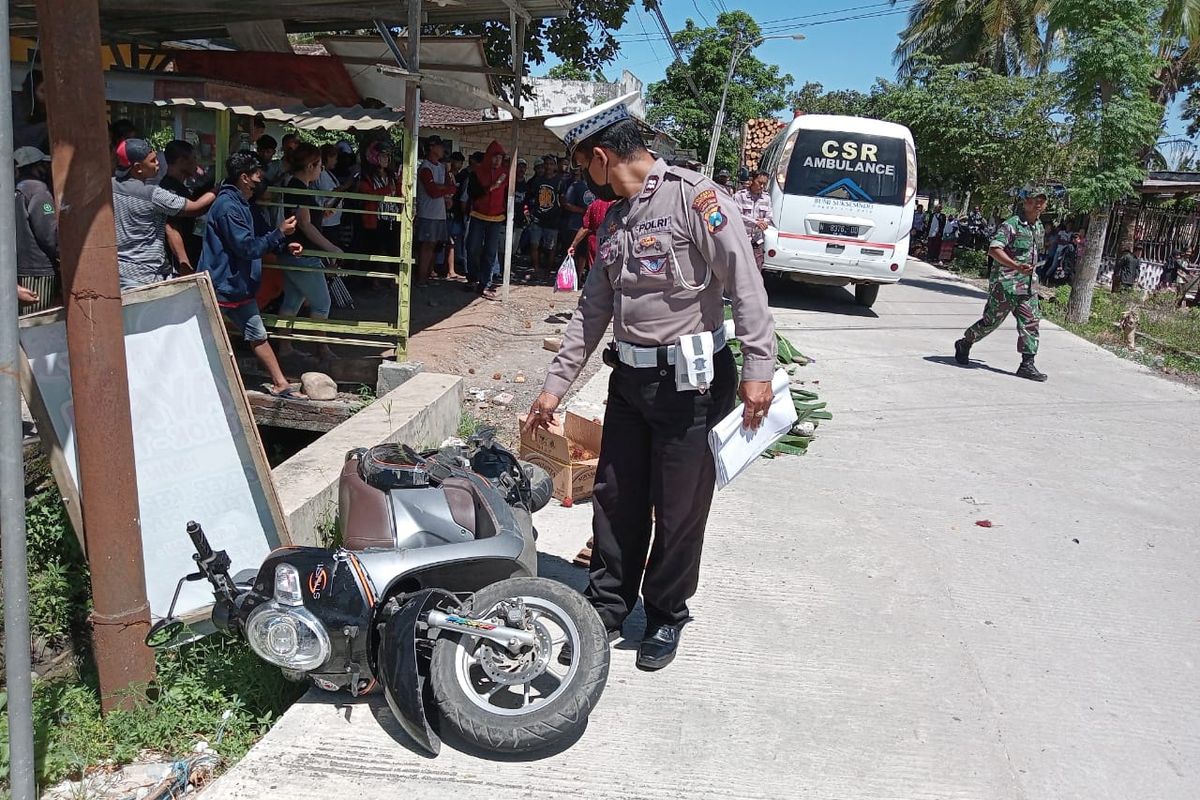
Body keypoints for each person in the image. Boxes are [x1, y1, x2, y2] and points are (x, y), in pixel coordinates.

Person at [524, 92, 776, 671]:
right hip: (630, 385)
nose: (579, 177)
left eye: (580, 164)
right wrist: (554, 387)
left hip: (693, 383)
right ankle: (608, 605)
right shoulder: (614, 220)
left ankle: (665, 614)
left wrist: (759, 369)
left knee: (681, 506)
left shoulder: (697, 199)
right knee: (616, 497)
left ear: (602, 156)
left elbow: (746, 286)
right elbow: (591, 312)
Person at [198, 152, 306, 398]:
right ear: (245, 178)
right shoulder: (228, 207)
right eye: (258, 173)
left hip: (238, 286)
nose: (263, 178)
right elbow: (247, 247)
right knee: (205, 339)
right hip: (221, 286)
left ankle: (281, 384)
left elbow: (263, 234)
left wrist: (283, 243)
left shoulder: (244, 204)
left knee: (257, 334)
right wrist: (279, 234)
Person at [955, 186, 1049, 382]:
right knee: (990, 322)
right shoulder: (1012, 224)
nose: (1038, 203)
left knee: (1031, 322)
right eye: (1034, 200)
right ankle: (965, 342)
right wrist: (1016, 265)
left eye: (1042, 200)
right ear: (1025, 202)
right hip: (1006, 285)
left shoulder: (1039, 227)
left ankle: (1027, 364)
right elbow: (994, 250)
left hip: (1028, 286)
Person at [112, 138, 215, 291]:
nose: (158, 163)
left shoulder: (110, 186)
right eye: (153, 160)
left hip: (119, 271)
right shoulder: (153, 194)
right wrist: (218, 189)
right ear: (138, 167)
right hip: (147, 274)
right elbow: (195, 208)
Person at [277, 143, 341, 362]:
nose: (321, 170)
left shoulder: (294, 185)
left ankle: (285, 347)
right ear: (310, 165)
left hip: (292, 252)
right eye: (320, 165)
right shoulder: (300, 189)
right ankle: (321, 348)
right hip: (303, 254)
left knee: (292, 301)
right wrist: (330, 247)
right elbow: (305, 224)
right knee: (322, 303)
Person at [14, 146, 59, 313]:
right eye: (43, 165)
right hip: (39, 270)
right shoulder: (38, 190)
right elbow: (48, 233)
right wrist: (60, 254)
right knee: (40, 321)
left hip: (18, 269)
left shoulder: (15, 190)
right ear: (35, 167)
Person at [466, 140, 509, 299]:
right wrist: (491, 187)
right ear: (488, 157)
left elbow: (508, 195)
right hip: (478, 215)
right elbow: (473, 193)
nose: (497, 160)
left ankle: (485, 284)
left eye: (500, 157)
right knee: (472, 248)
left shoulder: (506, 173)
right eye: (494, 157)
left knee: (490, 252)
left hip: (497, 218)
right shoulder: (476, 173)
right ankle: (472, 278)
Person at [159, 140, 207, 276]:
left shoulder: (181, 187)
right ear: (181, 161)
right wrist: (183, 262)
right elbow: (171, 228)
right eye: (194, 158)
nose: (196, 163)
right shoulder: (169, 190)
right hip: (178, 266)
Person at [415, 135, 457, 286]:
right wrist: (443, 189)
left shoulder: (441, 167)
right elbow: (432, 191)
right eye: (439, 146)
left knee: (435, 246)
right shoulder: (425, 167)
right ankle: (421, 278)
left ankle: (428, 275)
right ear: (432, 148)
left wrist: (441, 187)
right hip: (427, 212)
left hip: (439, 213)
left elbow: (451, 187)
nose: (442, 149)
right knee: (427, 245)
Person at [356, 140, 402, 258]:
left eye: (387, 156)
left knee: (393, 251)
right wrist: (387, 190)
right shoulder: (366, 176)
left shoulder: (392, 176)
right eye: (383, 155)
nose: (386, 158)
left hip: (392, 220)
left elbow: (398, 193)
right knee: (373, 251)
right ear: (374, 157)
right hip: (374, 221)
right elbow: (368, 195)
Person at [733, 170, 775, 270]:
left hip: (757, 241)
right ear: (752, 180)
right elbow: (736, 216)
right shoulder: (740, 196)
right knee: (738, 269)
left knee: (756, 271)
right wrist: (756, 222)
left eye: (764, 184)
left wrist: (764, 222)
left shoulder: (766, 198)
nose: (761, 186)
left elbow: (769, 216)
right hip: (741, 239)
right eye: (759, 183)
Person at [528, 156, 562, 276]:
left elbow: (562, 199)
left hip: (553, 219)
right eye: (546, 164)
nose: (548, 167)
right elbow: (532, 197)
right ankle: (536, 268)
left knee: (551, 247)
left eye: (551, 164)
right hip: (538, 217)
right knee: (534, 244)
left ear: (555, 166)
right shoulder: (538, 180)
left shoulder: (559, 181)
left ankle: (548, 270)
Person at [565, 196, 615, 279]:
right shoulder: (620, 205)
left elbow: (585, 227)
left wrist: (573, 245)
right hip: (614, 243)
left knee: (596, 273)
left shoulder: (595, 205)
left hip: (596, 242)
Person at [560, 166, 593, 269]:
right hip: (575, 225)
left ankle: (579, 277)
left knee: (583, 254)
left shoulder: (596, 187)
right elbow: (566, 204)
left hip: (590, 227)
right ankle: (569, 275)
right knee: (572, 251)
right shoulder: (575, 186)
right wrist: (584, 211)